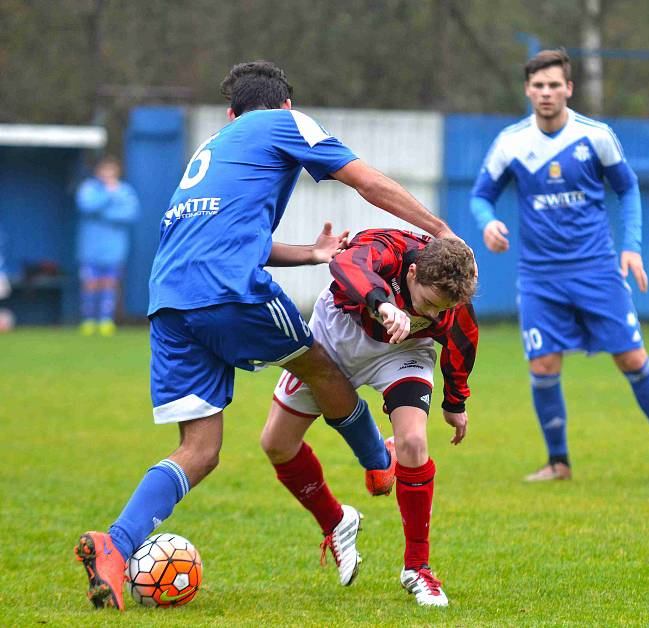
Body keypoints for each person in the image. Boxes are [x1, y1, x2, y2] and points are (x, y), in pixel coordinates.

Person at [74, 60, 458, 611]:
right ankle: (379, 462)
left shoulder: (210, 151)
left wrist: (310, 254)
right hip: (228, 290)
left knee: (200, 450)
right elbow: (367, 181)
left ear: (230, 114)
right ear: (284, 106)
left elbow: (227, 235)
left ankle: (116, 544)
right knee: (318, 364)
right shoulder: (285, 123)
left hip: (168, 299)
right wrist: (438, 229)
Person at [469, 49, 649, 484]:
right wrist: (488, 224)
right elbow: (480, 196)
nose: (546, 93)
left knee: (632, 357)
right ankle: (558, 462)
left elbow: (629, 189)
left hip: (597, 270)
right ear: (528, 90)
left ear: (569, 88)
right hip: (540, 276)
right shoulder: (511, 142)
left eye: (554, 85)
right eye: (538, 86)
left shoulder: (595, 135)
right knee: (543, 366)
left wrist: (631, 246)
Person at [262, 230, 478, 608]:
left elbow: (463, 341)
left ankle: (418, 567)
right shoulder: (387, 248)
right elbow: (346, 264)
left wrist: (455, 401)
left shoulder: (448, 298)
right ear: (412, 274)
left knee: (413, 442)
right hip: (334, 336)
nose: (431, 314)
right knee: (276, 444)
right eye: (427, 303)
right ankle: (336, 522)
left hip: (402, 352)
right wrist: (383, 304)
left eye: (440, 310)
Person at [75, 156, 140, 336]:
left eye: (111, 171)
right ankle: (88, 321)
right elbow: (86, 206)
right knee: (90, 284)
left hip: (114, 249)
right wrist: (108, 195)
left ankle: (105, 321)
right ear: (98, 172)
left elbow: (130, 214)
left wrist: (105, 213)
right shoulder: (89, 188)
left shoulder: (126, 191)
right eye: (104, 170)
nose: (107, 174)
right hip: (90, 247)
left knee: (109, 284)